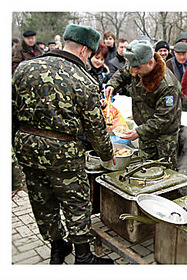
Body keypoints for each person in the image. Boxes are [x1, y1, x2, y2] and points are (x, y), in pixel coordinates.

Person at [12, 24, 115, 265]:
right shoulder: (83, 79)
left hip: (27, 148)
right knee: (76, 201)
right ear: (83, 51)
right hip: (64, 154)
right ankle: (83, 255)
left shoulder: (23, 69)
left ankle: (57, 248)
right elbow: (96, 129)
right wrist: (107, 154)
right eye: (90, 54)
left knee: (41, 199)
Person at [105, 39, 182, 168]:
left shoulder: (168, 86)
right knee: (144, 168)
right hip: (145, 132)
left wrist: (138, 132)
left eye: (137, 68)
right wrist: (112, 85)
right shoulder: (138, 66)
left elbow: (163, 119)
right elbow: (124, 73)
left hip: (164, 137)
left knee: (164, 172)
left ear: (150, 62)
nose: (134, 72)